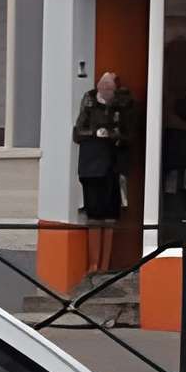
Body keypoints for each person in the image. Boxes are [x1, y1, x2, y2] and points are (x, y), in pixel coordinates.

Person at [73, 70, 141, 276]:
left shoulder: (123, 105)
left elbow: (129, 134)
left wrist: (113, 135)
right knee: (94, 215)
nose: (105, 91)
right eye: (102, 87)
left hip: (113, 166)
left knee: (110, 216)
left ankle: (104, 264)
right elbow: (78, 132)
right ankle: (94, 265)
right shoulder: (89, 102)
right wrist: (95, 133)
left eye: (109, 88)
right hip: (91, 167)